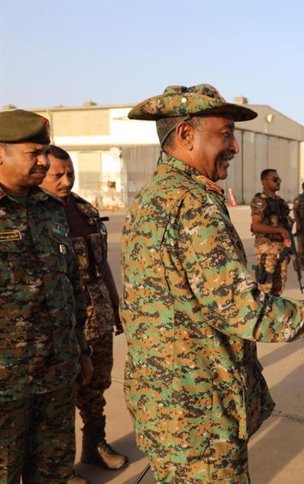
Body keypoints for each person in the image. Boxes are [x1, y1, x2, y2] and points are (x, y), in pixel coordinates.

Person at [121, 84, 304, 482]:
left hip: (165, 406)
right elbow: (246, 312)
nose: (234, 147)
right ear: (186, 135)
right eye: (225, 134)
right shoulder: (193, 203)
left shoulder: (153, 197)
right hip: (198, 413)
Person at [0, 110, 93, 484]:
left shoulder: (51, 209)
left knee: (53, 472)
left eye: (45, 152)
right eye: (34, 153)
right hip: (6, 386)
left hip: (56, 377)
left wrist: (81, 350)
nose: (43, 161)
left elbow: (71, 286)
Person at [40, 146, 129, 474]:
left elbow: (101, 262)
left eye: (70, 174)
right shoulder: (37, 215)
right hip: (60, 315)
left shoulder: (85, 211)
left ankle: (94, 445)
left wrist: (115, 305)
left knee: (97, 384)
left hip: (98, 311)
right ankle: (61, 468)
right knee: (62, 391)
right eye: (57, 175)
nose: (66, 181)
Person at [250, 169, 292, 296]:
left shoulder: (282, 203)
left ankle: (274, 314)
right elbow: (256, 226)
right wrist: (280, 230)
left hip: (281, 250)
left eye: (279, 179)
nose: (278, 182)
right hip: (266, 249)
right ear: (264, 182)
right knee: (265, 288)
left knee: (279, 288)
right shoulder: (260, 200)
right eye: (275, 179)